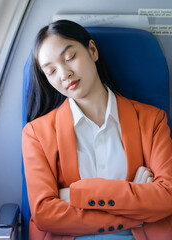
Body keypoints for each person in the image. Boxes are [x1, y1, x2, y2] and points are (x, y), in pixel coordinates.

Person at [22, 20, 172, 240]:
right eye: (51, 71)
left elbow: (167, 196)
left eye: (70, 57)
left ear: (92, 50)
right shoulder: (36, 134)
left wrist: (76, 195)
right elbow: (45, 214)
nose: (65, 74)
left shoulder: (152, 120)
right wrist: (134, 199)